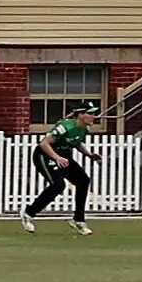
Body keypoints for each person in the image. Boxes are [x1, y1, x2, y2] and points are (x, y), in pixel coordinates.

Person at [20, 100, 99, 235]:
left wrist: (89, 155)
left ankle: (78, 220)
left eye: (94, 113)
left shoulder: (83, 129)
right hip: (45, 155)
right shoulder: (65, 127)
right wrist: (56, 158)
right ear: (80, 115)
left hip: (63, 157)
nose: (94, 117)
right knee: (58, 185)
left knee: (83, 181)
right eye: (90, 113)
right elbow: (44, 143)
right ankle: (28, 213)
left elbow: (76, 142)